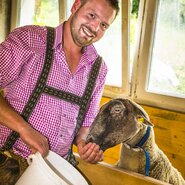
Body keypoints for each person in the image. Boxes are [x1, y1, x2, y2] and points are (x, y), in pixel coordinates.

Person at [0, 0, 119, 182]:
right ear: (76, 6)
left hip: (54, 172)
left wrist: (85, 145)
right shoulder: (30, 40)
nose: (94, 27)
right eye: (91, 15)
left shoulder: (98, 69)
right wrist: (23, 128)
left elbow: (86, 125)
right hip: (8, 163)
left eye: (103, 25)